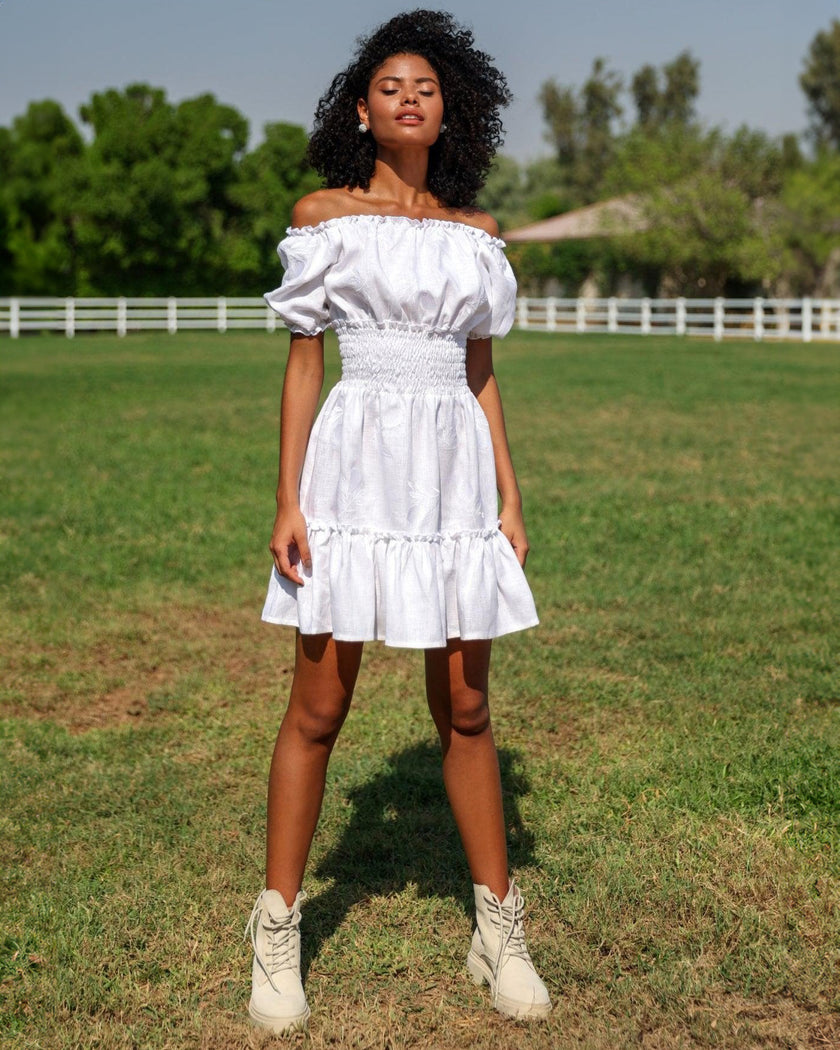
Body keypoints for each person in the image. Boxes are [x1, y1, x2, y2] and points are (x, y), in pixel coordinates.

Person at [245, 9, 551, 1033]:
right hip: (353, 474)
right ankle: (279, 925)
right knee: (318, 710)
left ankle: (496, 926)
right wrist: (287, 498)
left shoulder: (478, 236)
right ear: (364, 113)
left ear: (447, 108)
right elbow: (303, 366)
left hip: (452, 482)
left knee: (466, 710)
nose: (409, 96)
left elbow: (482, 373)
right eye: (389, 86)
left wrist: (507, 496)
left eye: (425, 84)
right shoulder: (323, 215)